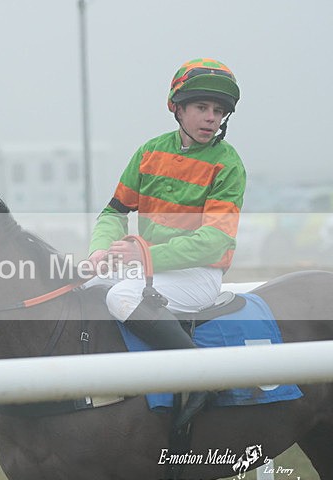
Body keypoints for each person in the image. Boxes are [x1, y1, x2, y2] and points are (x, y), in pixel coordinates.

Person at [88, 58, 246, 432]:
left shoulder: (228, 164)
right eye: (202, 108)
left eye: (219, 111)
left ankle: (201, 379)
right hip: (149, 269)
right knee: (86, 288)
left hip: (197, 274)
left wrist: (144, 255)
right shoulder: (149, 152)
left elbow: (215, 240)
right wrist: (99, 249)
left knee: (121, 298)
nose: (212, 118)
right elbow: (114, 211)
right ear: (177, 108)